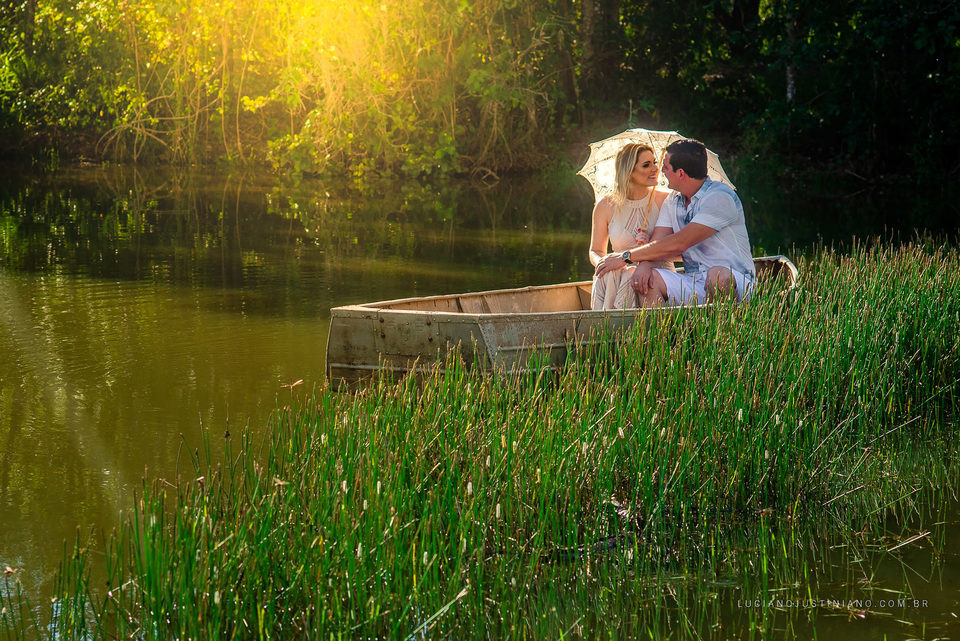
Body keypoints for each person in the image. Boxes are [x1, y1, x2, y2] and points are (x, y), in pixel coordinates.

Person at [593, 139, 754, 307]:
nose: (660, 171)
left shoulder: (719, 197)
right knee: (648, 281)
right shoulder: (673, 200)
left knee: (717, 275)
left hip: (735, 281)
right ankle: (663, 333)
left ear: (681, 174)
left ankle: (722, 331)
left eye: (666, 167)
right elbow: (658, 241)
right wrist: (644, 265)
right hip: (694, 281)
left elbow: (679, 243)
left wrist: (626, 257)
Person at [588, 143, 675, 310]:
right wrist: (604, 264)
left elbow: (680, 249)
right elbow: (596, 250)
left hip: (657, 272)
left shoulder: (667, 200)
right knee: (610, 274)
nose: (655, 168)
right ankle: (607, 328)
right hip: (619, 273)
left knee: (631, 274)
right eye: (646, 165)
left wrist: (650, 244)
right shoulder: (605, 205)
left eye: (654, 162)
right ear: (629, 172)